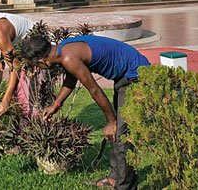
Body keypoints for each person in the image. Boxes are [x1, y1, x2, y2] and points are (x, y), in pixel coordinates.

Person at [20, 34, 150, 190]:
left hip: (135, 76)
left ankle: (125, 187)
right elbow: (71, 78)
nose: (37, 69)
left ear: (41, 61)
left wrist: (111, 121)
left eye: (35, 66)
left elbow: (94, 90)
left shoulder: (69, 58)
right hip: (125, 75)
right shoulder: (64, 49)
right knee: (119, 132)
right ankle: (114, 178)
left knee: (122, 135)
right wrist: (56, 104)